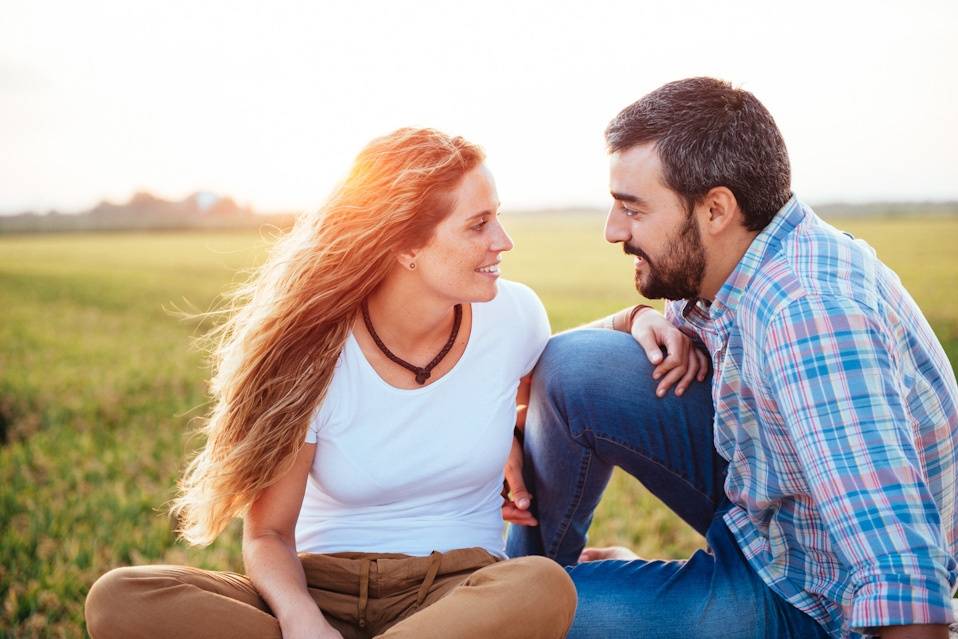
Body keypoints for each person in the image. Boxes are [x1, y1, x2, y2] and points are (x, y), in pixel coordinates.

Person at [504, 78, 958, 639]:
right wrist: (633, 319)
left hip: (812, 601)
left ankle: (523, 600)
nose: (612, 230)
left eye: (632, 209)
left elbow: (903, 573)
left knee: (513, 622)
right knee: (575, 366)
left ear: (716, 208)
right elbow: (545, 374)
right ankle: (511, 578)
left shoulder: (808, 315)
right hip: (771, 521)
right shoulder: (735, 262)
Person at [84, 128, 576, 639]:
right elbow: (269, 533)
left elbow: (544, 392)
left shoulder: (512, 315)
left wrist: (631, 321)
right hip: (322, 591)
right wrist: (303, 622)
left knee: (541, 586)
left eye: (497, 216)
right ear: (405, 244)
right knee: (122, 598)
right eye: (479, 224)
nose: (503, 240)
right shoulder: (312, 353)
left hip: (455, 596)